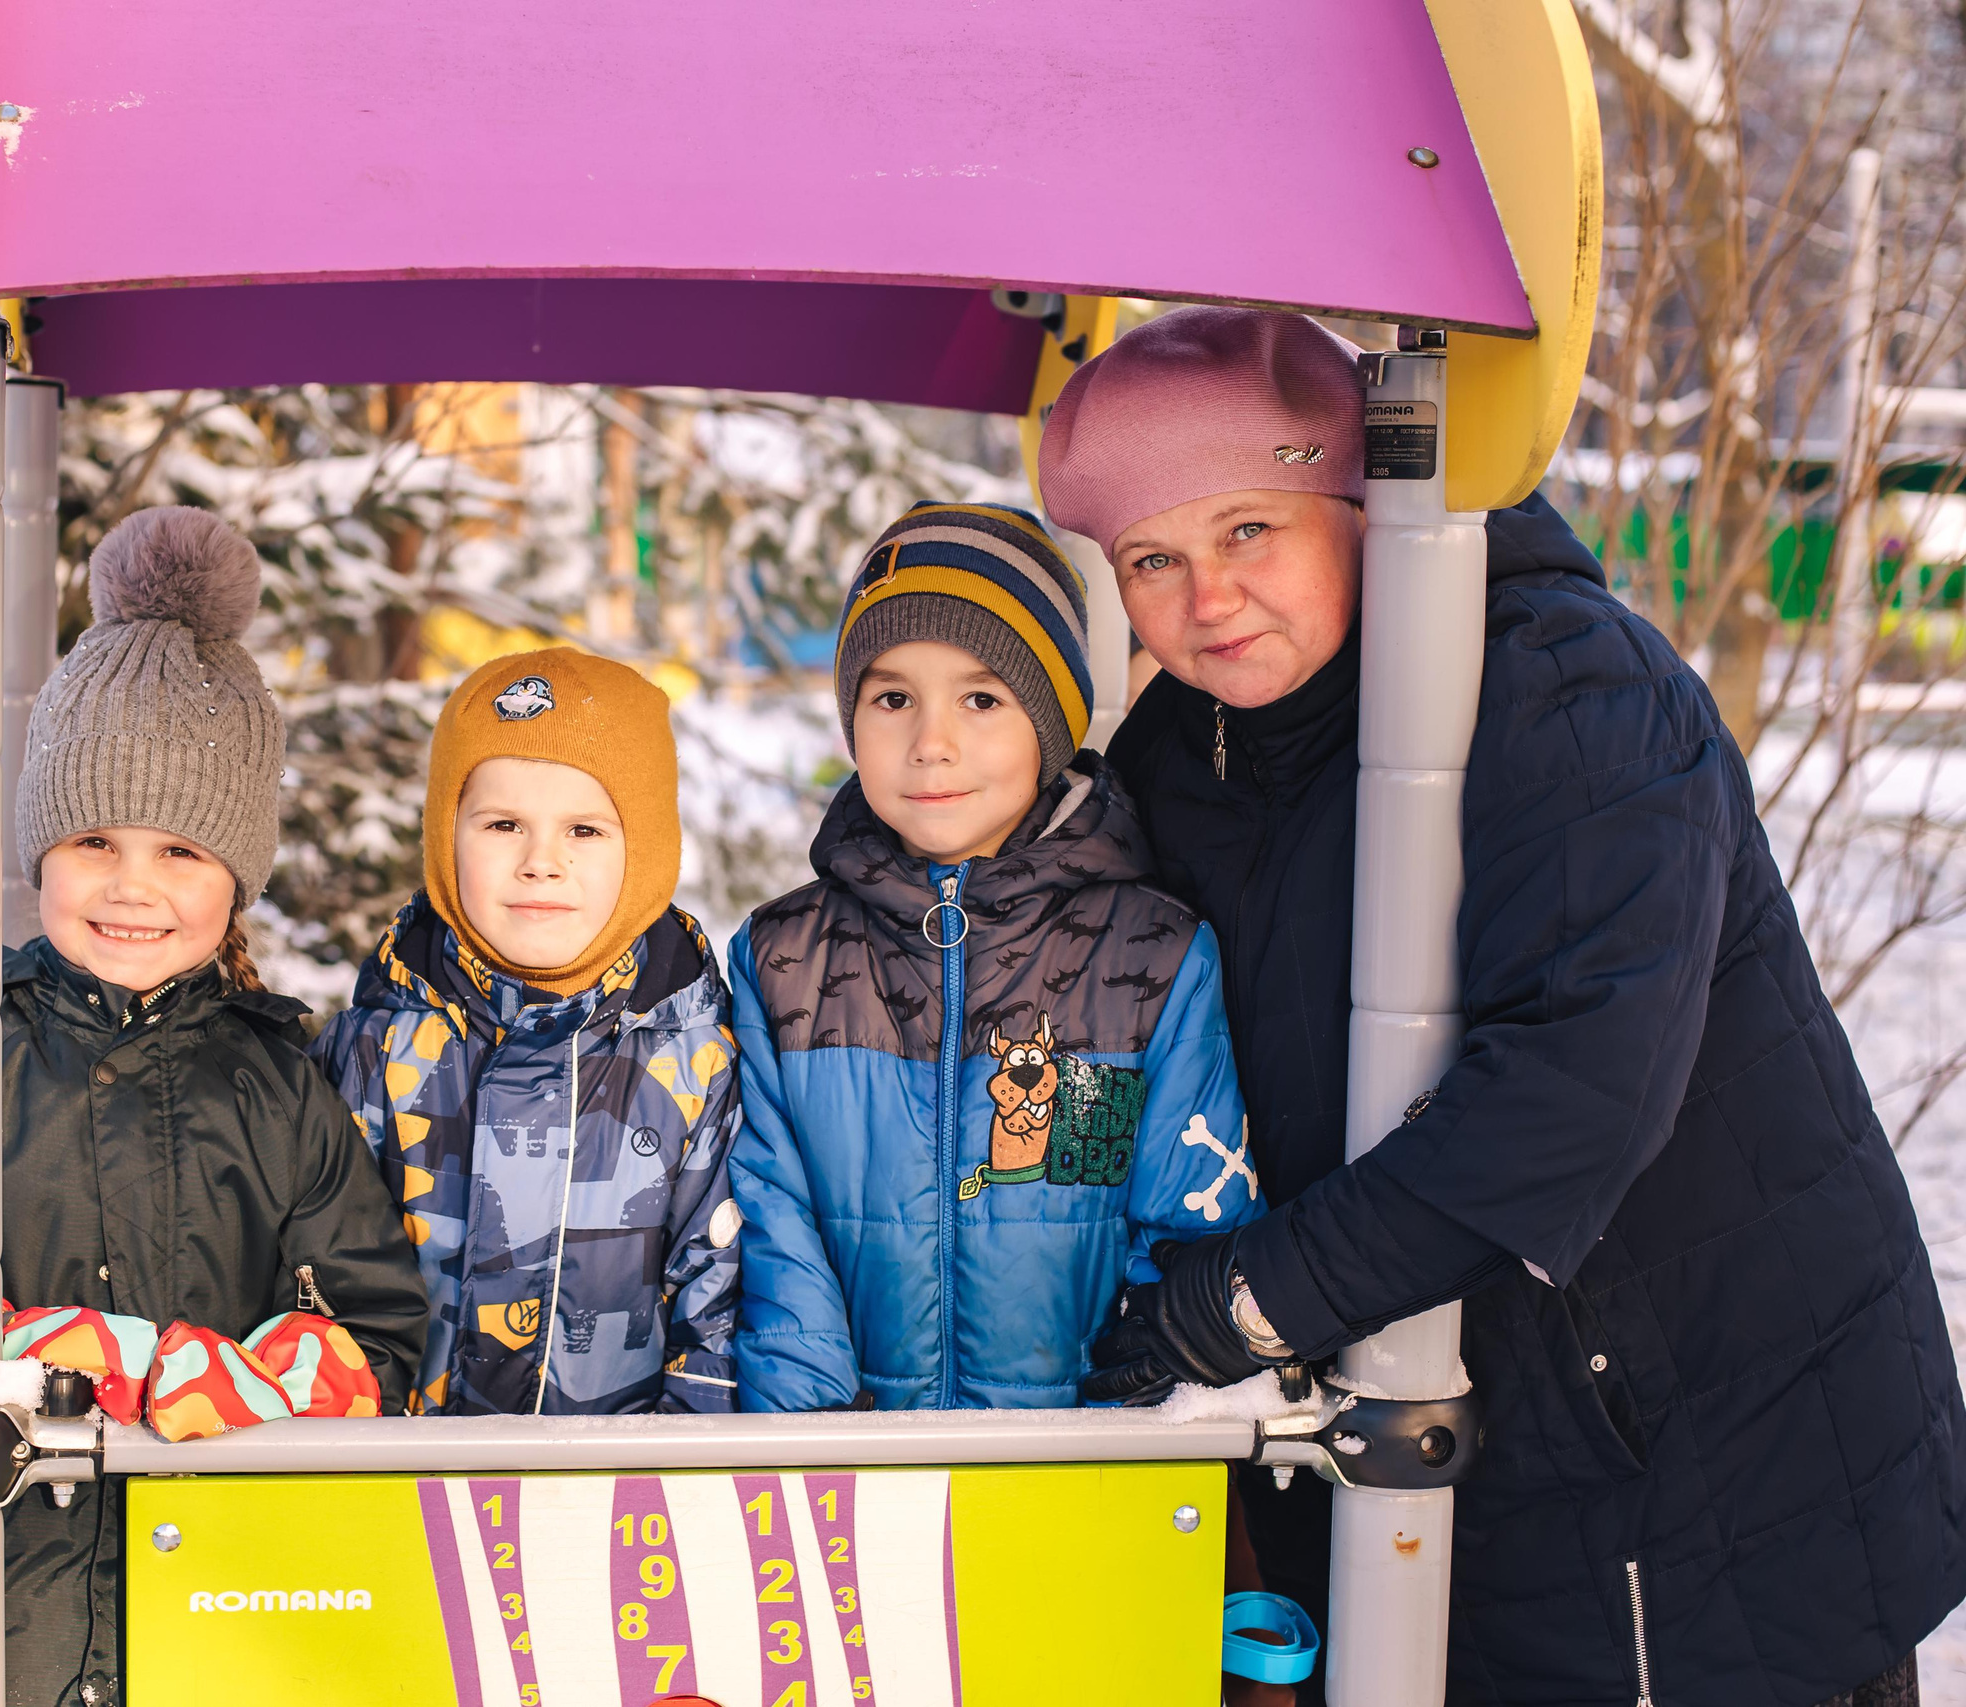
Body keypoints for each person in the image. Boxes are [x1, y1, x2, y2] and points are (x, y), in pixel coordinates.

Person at [1041, 305, 1966, 1707]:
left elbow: (1571, 1098)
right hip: (1441, 1464)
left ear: (1356, 503)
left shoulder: (1567, 687)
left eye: (1248, 529)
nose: (1207, 598)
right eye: (1152, 560)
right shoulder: (1184, 757)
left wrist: (1241, 1304)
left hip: (1700, 1458)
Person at [0, 507, 428, 1707]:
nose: (131, 887)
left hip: (210, 1621)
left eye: (181, 852)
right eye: (95, 838)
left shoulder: (277, 1087)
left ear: (237, 874)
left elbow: (377, 1337)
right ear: (41, 847)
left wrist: (224, 1376)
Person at [726, 501, 1256, 1412]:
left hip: (1079, 1463)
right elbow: (774, 1221)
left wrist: (1119, 1424)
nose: (932, 744)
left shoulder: (1149, 957)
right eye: (893, 699)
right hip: (851, 1464)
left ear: (1049, 723)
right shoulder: (784, 959)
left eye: (981, 698)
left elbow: (1182, 1228)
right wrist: (813, 1440)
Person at [311, 649, 741, 1414]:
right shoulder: (373, 1054)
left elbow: (720, 1312)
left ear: (645, 850)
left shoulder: (697, 1064)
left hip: (624, 1481)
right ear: (446, 836)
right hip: (403, 1477)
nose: (542, 861)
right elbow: (324, 1294)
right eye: (504, 823)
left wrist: (676, 1471)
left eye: (584, 829)